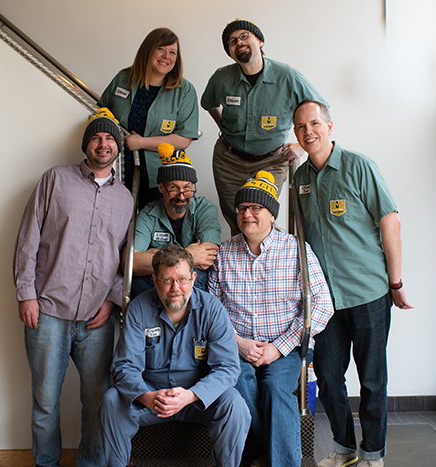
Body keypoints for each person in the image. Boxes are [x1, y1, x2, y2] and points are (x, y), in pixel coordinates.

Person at [12, 108, 133, 467]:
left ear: (118, 148)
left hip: (97, 319)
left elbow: (125, 259)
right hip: (48, 310)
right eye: (97, 138)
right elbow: (29, 238)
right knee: (45, 397)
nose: (104, 144)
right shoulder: (55, 180)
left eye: (110, 139)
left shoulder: (125, 198)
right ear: (87, 145)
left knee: (97, 401)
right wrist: (26, 293)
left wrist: (114, 299)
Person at [292, 99, 413, 467]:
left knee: (372, 379)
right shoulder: (299, 178)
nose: (307, 131)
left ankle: (372, 454)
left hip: (368, 294)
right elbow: (301, 238)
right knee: (327, 376)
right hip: (325, 300)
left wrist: (395, 283)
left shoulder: (360, 167)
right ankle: (344, 447)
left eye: (314, 123)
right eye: (300, 127)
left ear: (330, 126)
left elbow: (390, 221)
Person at [209, 172, 334, 467]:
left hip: (284, 348)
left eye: (257, 208)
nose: (248, 214)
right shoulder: (225, 252)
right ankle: (268, 449)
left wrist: (278, 348)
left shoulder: (297, 250)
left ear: (272, 214)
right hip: (238, 348)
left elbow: (322, 307)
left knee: (278, 392)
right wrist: (239, 344)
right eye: (243, 207)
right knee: (241, 388)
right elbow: (212, 312)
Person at [99, 245, 250, 467]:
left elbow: (228, 368)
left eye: (181, 279)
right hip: (151, 399)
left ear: (194, 278)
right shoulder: (139, 308)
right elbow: (124, 368)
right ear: (155, 280)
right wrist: (147, 395)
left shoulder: (212, 309)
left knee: (234, 404)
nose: (175, 288)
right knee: (110, 399)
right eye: (167, 280)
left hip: (197, 399)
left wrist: (191, 395)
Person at [201, 18, 326, 235]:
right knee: (238, 218)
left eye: (244, 36)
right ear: (229, 52)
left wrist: (301, 146)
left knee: (260, 215)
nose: (238, 42)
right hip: (228, 161)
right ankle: (240, 267)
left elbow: (321, 111)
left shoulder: (287, 76)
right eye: (232, 41)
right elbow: (208, 104)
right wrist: (225, 126)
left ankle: (269, 264)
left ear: (259, 41)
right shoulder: (221, 78)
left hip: (271, 161)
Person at [99, 27, 199, 209]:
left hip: (157, 175)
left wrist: (141, 143)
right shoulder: (123, 79)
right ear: (148, 50)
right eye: (161, 49)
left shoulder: (185, 91)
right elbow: (101, 113)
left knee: (151, 226)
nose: (166, 56)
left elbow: (184, 139)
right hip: (115, 167)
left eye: (172, 52)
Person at [129, 143, 220, 296]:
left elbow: (206, 258)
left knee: (198, 277)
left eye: (188, 187)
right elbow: (131, 263)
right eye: (173, 188)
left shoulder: (205, 209)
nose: (182, 195)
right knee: (139, 282)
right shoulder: (148, 213)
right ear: (161, 188)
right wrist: (188, 254)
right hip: (159, 284)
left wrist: (156, 254)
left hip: (190, 283)